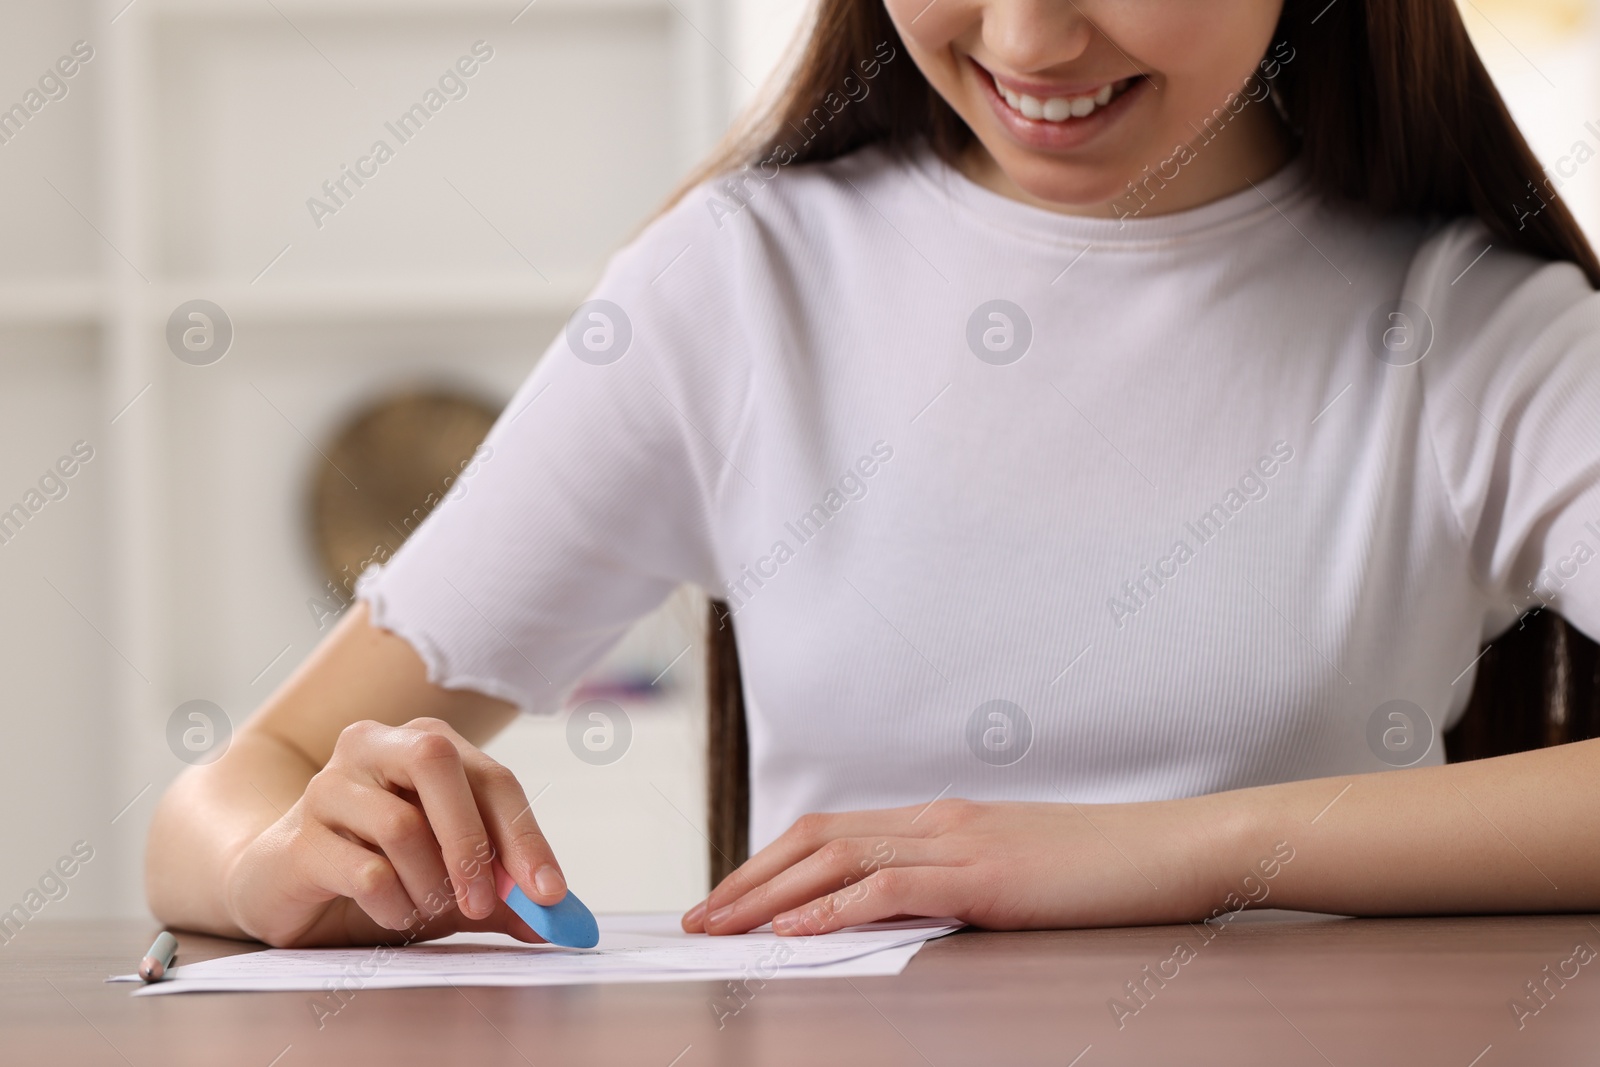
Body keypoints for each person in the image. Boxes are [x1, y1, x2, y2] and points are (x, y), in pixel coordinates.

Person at [147, 0, 1600, 947]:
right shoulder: (739, 288)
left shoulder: (1472, 336)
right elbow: (222, 799)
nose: (1029, 40)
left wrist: (1175, 854)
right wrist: (290, 857)